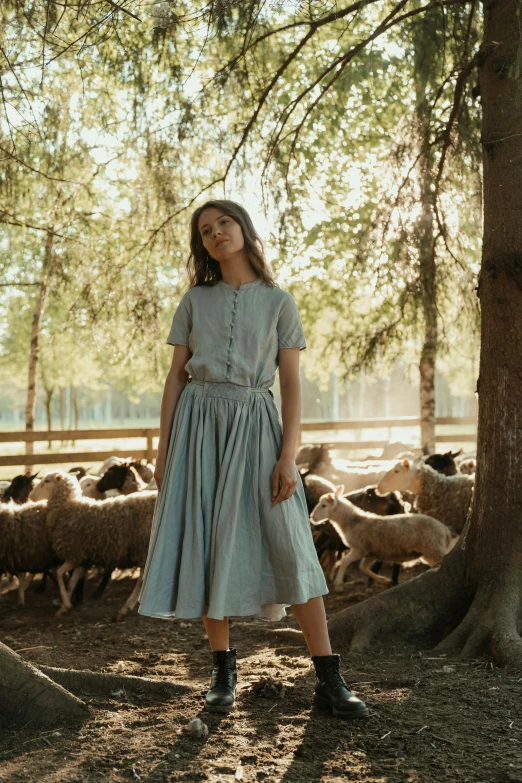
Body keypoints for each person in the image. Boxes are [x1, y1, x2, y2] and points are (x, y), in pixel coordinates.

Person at [138, 199, 368, 720]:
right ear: (201, 244)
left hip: (258, 427)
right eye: (206, 229)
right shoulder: (195, 300)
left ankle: (329, 677)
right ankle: (222, 670)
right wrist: (164, 450)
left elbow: (290, 384)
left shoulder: (280, 302)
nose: (216, 233)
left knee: (290, 544)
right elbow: (176, 377)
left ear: (243, 228)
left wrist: (288, 456)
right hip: (198, 430)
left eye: (224, 223)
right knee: (205, 542)